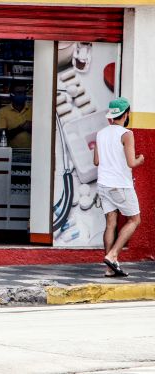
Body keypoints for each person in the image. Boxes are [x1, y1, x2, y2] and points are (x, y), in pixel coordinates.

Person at [94, 97, 144, 277]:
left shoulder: (100, 133)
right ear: (127, 114)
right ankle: (113, 254)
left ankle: (110, 268)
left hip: (103, 184)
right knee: (135, 220)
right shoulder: (126, 134)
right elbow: (131, 163)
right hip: (120, 185)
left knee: (110, 224)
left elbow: (96, 161)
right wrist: (140, 159)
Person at [0, 83, 32, 148]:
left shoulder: (33, 110)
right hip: (11, 153)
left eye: (24, 93)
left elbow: (43, 134)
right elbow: (1, 137)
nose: (22, 95)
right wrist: (21, 128)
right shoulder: (2, 112)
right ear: (11, 95)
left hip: (33, 153)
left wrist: (34, 128)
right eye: (19, 93)